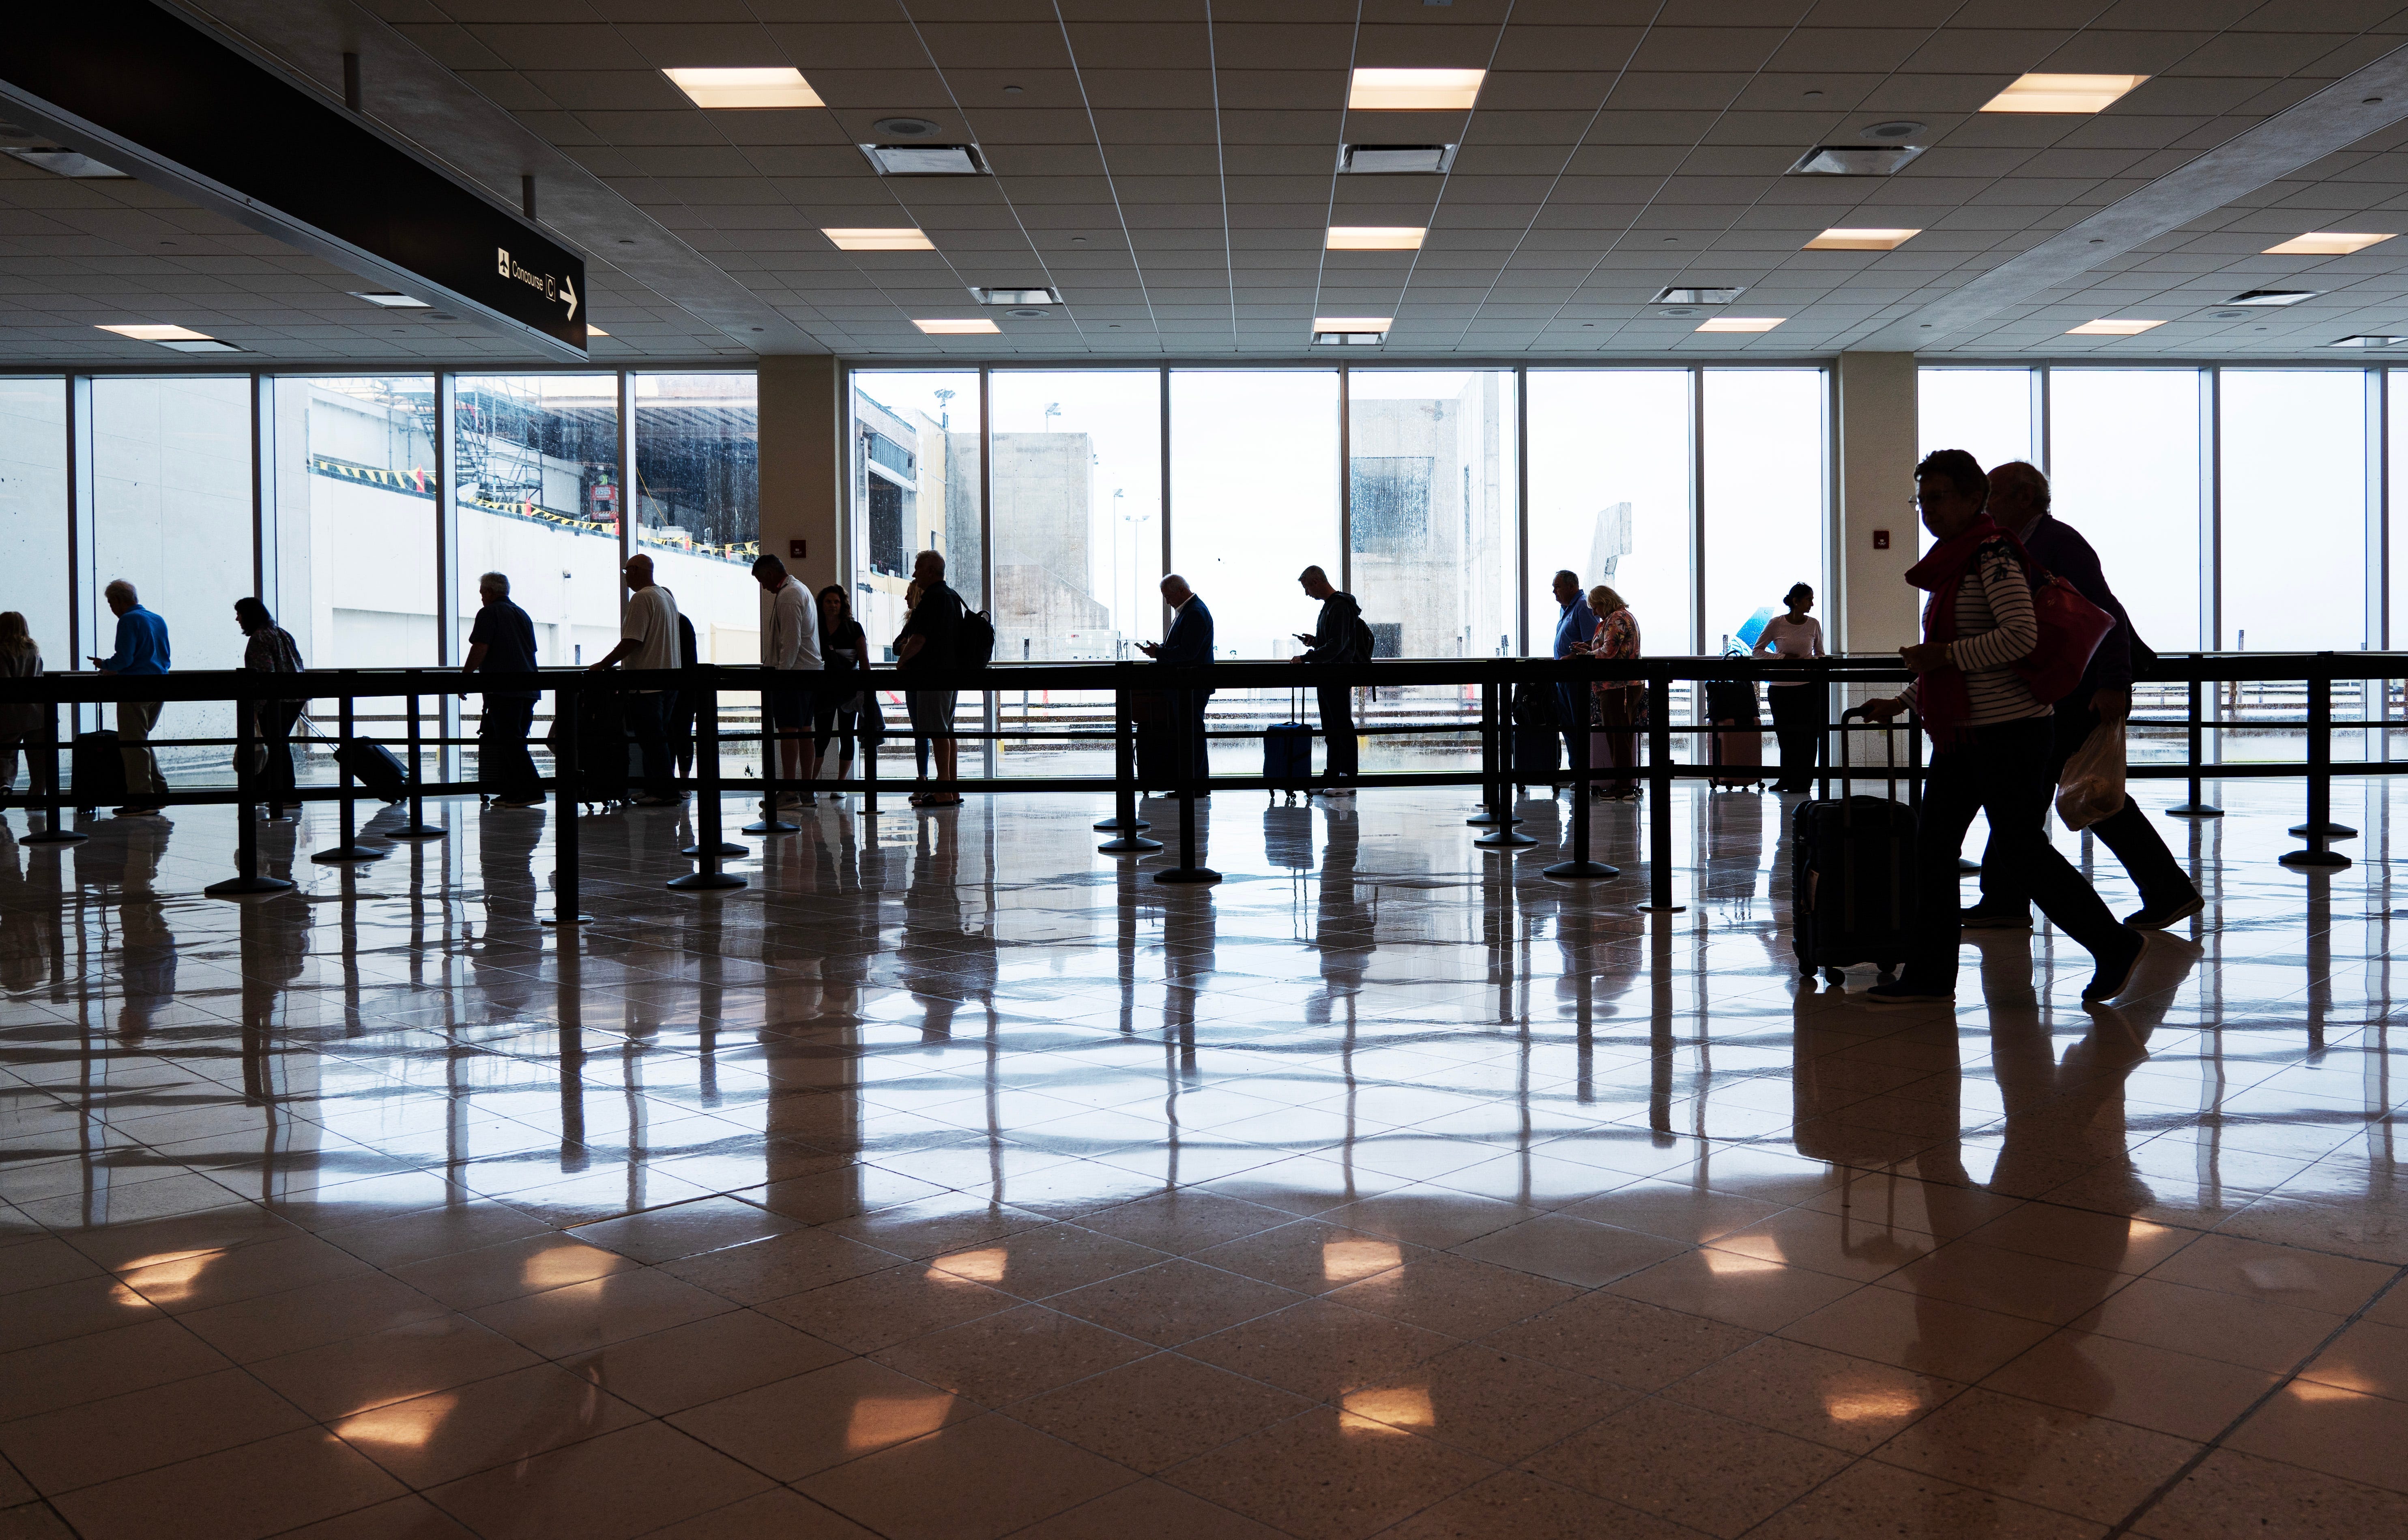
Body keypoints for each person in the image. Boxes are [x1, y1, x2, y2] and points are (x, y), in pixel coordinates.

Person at [1859, 449, 2144, 1006]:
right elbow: (1954, 666)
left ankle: (2113, 943)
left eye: (1939, 498)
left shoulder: (1993, 556)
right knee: (1935, 848)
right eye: (1922, 500)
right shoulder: (1956, 560)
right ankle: (1930, 976)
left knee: (2019, 851)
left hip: (2008, 733)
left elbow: (2020, 638)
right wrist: (1905, 698)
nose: (1928, 511)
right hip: (1965, 731)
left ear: (1973, 500)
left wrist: (1942, 655)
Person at [1967, 462, 2204, 931]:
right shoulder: (2024, 546)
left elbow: (2106, 612)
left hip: (2081, 693)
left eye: (1993, 495)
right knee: (2040, 795)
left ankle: (2009, 899)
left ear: (2025, 497)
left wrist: (2113, 683)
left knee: (2075, 795)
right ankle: (2006, 897)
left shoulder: (2057, 542)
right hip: (2063, 690)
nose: (1986, 506)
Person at [586, 553, 682, 806]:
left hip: (647, 684)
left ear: (637, 570)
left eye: (626, 571)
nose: (625, 577)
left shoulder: (642, 598)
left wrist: (602, 666)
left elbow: (633, 640)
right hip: (669, 680)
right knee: (660, 738)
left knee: (652, 739)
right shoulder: (665, 597)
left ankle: (664, 791)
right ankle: (656, 787)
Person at [459, 573, 543, 808]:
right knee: (514, 742)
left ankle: (532, 790)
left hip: (504, 690)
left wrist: (465, 679)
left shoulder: (489, 613)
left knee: (509, 742)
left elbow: (481, 647)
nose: (481, 599)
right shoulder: (522, 614)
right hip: (529, 689)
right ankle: (512, 791)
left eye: (482, 594)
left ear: (489, 592)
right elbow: (531, 651)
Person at [87, 579, 170, 817]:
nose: (112, 609)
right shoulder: (156, 619)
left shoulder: (128, 620)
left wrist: (105, 665)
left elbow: (124, 660)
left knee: (133, 744)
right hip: (159, 686)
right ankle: (159, 791)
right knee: (141, 739)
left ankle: (141, 799)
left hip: (135, 687)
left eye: (112, 604)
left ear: (120, 600)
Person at [893, 549, 964, 807]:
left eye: (918, 568)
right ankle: (951, 789)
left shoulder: (932, 599)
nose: (914, 574)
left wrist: (901, 663)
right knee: (947, 732)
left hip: (933, 676)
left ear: (931, 571)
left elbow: (919, 639)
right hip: (950, 675)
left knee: (937, 732)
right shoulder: (952, 597)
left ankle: (944, 791)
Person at [753, 553, 822, 806]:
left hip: (794, 676)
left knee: (788, 732)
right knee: (805, 732)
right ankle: (806, 790)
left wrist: (781, 676)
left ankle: (790, 791)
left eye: (763, 580)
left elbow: (790, 642)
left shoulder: (790, 594)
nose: (763, 587)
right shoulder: (800, 590)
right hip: (808, 674)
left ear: (771, 574)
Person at [1291, 565, 1364, 793]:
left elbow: (1337, 646)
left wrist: (1306, 658)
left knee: (1341, 725)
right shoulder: (1331, 607)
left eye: (1307, 588)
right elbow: (1332, 641)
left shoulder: (1340, 606)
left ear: (1316, 582)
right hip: (1328, 675)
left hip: (1337, 675)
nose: (1306, 594)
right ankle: (1334, 774)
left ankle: (1348, 777)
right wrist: (1315, 641)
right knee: (1332, 727)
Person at [1138, 573, 1214, 787]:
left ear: (1181, 590)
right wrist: (1161, 651)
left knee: (1192, 736)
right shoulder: (1191, 611)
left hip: (1191, 686)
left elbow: (1189, 652)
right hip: (1190, 686)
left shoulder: (1195, 613)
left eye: (1168, 596)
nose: (1167, 601)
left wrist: (1159, 654)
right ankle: (1194, 784)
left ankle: (1195, 786)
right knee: (1191, 734)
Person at [234, 598, 305, 819]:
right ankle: (276, 791)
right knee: (279, 742)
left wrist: (255, 708)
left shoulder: (259, 638)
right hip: (295, 696)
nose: (237, 619)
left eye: (240, 614)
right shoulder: (282, 633)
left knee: (276, 744)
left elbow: (263, 676)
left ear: (250, 615)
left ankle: (286, 794)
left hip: (275, 700)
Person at [1753, 582, 1826, 793]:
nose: (1812, 603)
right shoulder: (1776, 624)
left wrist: (1809, 662)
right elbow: (1758, 651)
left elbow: (1820, 653)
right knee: (1786, 736)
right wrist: (1783, 658)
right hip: (1781, 688)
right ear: (1796, 601)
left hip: (1807, 688)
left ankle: (1803, 782)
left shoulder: (1813, 624)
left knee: (1808, 737)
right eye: (1808, 599)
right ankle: (1786, 779)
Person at [1585, 585, 1642, 798]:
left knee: (1618, 737)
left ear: (1605, 602)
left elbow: (1608, 650)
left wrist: (1585, 656)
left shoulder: (1618, 618)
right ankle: (1624, 783)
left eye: (1596, 607)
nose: (1594, 613)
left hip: (1618, 686)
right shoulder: (1622, 616)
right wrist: (1590, 650)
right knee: (1621, 736)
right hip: (1621, 686)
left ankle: (1624, 786)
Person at [813, 585, 868, 800]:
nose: (833, 606)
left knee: (847, 736)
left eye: (837, 602)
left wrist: (866, 689)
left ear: (843, 605)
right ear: (822, 604)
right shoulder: (815, 628)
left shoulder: (855, 628)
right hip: (824, 690)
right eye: (829, 602)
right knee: (821, 737)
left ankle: (840, 784)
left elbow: (864, 661)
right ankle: (811, 784)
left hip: (849, 690)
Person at [1549, 569, 1598, 779]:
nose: (1554, 592)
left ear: (1572, 586)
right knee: (1568, 726)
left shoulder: (1583, 607)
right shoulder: (1566, 609)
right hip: (1563, 679)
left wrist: (1573, 658)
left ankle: (1584, 772)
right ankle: (1576, 771)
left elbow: (1594, 643)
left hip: (1577, 680)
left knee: (1579, 726)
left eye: (1557, 587)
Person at [0, 612, 49, 816]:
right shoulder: (33, 650)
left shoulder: (1, 650)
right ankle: (37, 798)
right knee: (38, 757)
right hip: (37, 712)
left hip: (9, 713)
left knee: (5, 754)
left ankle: (4, 788)